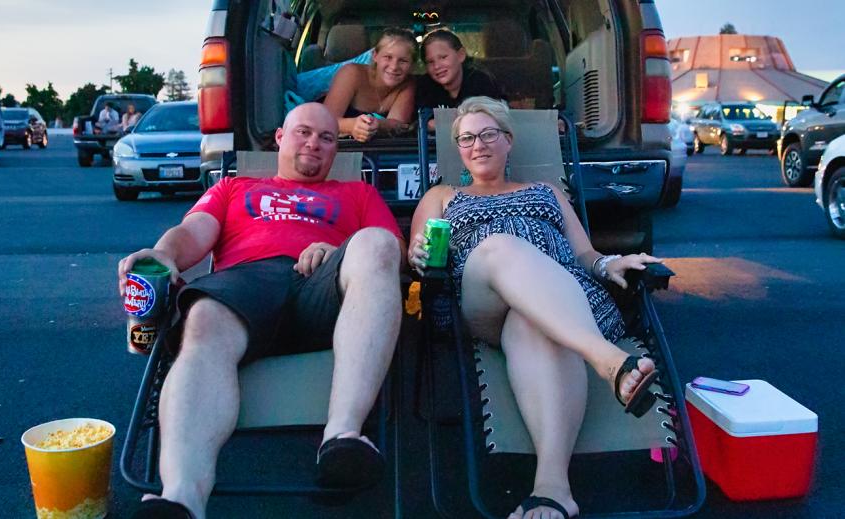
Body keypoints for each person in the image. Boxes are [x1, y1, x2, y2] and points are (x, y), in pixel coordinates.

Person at [120, 103, 405, 519]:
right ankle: (182, 497)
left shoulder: (358, 193)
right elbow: (193, 233)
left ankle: (342, 437)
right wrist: (163, 253)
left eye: (327, 138)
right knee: (203, 317)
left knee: (376, 243)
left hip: (326, 289)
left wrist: (336, 252)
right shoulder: (233, 189)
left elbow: (395, 253)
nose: (314, 143)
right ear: (279, 138)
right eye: (304, 132)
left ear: (335, 151)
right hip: (246, 287)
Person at [408, 97, 662, 519]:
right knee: (499, 247)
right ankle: (606, 360)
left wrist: (612, 263)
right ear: (459, 149)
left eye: (489, 134)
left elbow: (585, 256)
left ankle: (552, 489)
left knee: (530, 323)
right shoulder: (441, 196)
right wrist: (419, 256)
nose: (478, 144)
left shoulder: (546, 192)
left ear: (508, 141)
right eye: (467, 138)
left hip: (564, 301)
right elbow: (419, 258)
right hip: (482, 302)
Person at [323, 27, 416, 143]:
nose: (394, 67)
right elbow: (324, 121)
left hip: (381, 155)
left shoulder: (408, 84)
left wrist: (375, 124)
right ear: (375, 56)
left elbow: (399, 125)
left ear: (412, 65)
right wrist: (351, 126)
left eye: (403, 61)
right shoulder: (352, 73)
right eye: (388, 57)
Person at [416, 28, 504, 111]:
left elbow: (488, 118)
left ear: (460, 55)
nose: (436, 66)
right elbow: (424, 120)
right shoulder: (425, 86)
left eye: (443, 57)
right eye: (430, 62)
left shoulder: (481, 81)